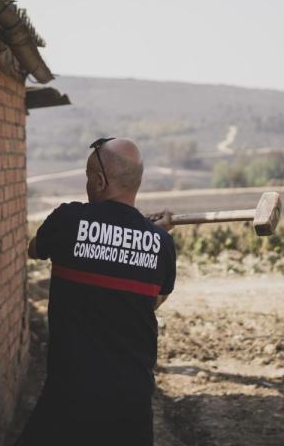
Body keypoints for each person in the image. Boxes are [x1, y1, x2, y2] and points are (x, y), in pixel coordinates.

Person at [17, 137, 177, 446]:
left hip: (70, 393)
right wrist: (153, 234)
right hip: (131, 400)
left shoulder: (67, 220)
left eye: (89, 177)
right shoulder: (161, 244)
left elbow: (35, 249)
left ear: (99, 181)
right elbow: (151, 302)